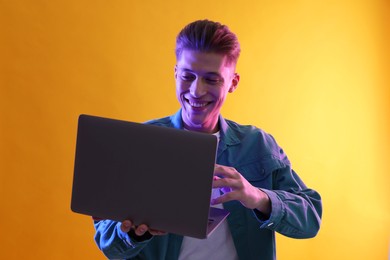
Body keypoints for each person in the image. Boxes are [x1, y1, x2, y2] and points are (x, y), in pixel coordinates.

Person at [93, 19, 322, 260]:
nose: (196, 91)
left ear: (233, 83)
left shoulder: (259, 145)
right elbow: (108, 244)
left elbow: (310, 220)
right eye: (187, 76)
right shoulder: (139, 143)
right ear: (175, 73)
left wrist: (257, 197)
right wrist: (134, 234)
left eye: (211, 79)